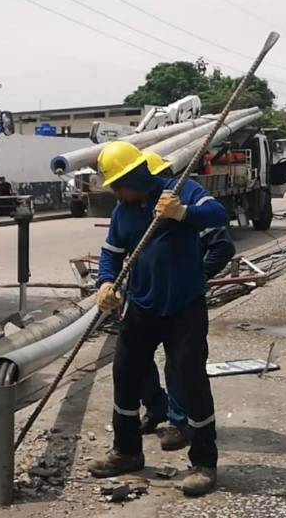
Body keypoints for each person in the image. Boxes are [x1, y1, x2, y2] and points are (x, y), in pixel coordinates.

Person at [88, 141, 228, 497]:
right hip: (142, 307)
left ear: (136, 175)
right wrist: (106, 282)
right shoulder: (124, 212)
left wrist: (182, 213)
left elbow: (218, 216)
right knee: (125, 375)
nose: (117, 191)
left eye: (120, 183)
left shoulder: (181, 191)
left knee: (190, 379)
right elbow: (111, 253)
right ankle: (127, 450)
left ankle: (203, 462)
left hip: (184, 308)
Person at [138, 152, 235, 452]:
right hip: (146, 298)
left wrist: (194, 277)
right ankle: (157, 407)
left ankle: (181, 423)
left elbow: (222, 246)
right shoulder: (140, 207)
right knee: (135, 360)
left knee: (179, 364)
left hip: (180, 300)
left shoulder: (186, 207)